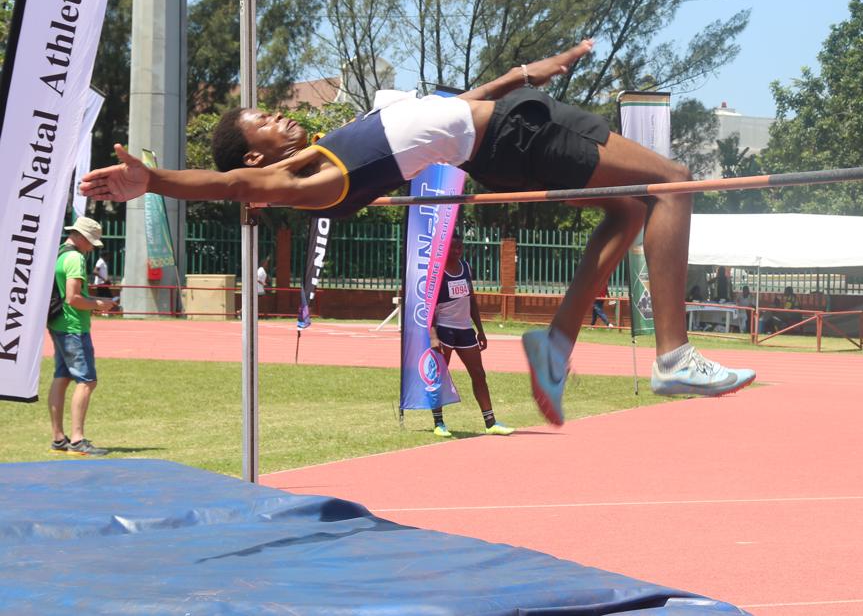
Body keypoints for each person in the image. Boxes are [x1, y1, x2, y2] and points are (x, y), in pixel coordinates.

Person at [81, 39, 755, 426]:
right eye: (267, 125)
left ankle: (556, 344)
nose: (283, 118)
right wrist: (158, 180)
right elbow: (237, 186)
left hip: (501, 125)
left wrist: (525, 72)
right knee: (673, 183)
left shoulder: (330, 148)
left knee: (631, 210)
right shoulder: (321, 181)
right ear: (257, 157)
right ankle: (675, 357)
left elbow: (446, 113)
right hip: (516, 132)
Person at [429, 234, 514, 438]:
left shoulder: (465, 267)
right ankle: (439, 423)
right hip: (444, 329)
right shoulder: (437, 271)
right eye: (453, 247)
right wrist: (433, 336)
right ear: (445, 248)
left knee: (478, 374)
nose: (457, 250)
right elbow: (429, 306)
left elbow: (472, 300)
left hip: (465, 329)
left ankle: (490, 422)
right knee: (440, 375)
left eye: (460, 247)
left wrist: (481, 330)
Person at [48, 217, 117, 456]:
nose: (92, 247)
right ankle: (77, 440)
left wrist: (93, 304)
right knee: (87, 381)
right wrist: (100, 302)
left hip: (58, 323)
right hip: (73, 326)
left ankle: (58, 438)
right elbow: (73, 298)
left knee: (62, 377)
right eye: (91, 242)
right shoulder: (75, 258)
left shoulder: (60, 253)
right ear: (81, 237)